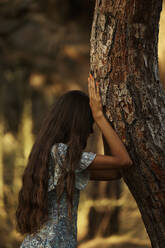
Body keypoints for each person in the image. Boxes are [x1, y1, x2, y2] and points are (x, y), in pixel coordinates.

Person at [16, 74, 133, 248]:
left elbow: (115, 172)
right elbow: (123, 161)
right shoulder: (61, 154)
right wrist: (100, 117)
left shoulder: (56, 155)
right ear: (77, 123)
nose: (91, 131)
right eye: (89, 123)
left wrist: (104, 123)